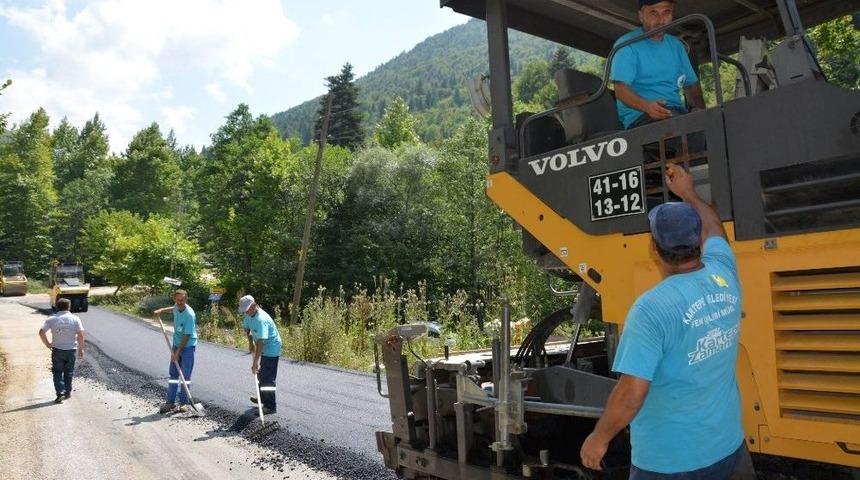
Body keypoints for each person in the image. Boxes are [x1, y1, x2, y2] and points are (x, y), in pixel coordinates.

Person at [580, 164, 754, 479]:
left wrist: (600, 436)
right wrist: (689, 193)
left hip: (671, 463)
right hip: (729, 449)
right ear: (696, 242)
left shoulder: (652, 309)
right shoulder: (724, 273)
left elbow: (632, 392)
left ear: (654, 248)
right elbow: (715, 228)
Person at [610, 0, 705, 129]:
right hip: (641, 117)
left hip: (676, 114)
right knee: (687, 132)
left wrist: (699, 109)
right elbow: (621, 90)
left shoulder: (677, 46)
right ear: (641, 15)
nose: (661, 20)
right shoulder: (626, 45)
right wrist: (647, 106)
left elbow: (691, 85)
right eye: (654, 13)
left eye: (667, 12)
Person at [154, 289, 197, 414]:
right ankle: (170, 402)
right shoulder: (176, 307)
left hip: (187, 346)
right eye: (178, 301)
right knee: (173, 374)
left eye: (182, 301)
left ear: (186, 299)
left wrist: (177, 353)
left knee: (185, 376)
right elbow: (172, 308)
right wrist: (161, 311)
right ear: (175, 300)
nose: (180, 303)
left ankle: (184, 403)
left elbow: (187, 336)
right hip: (176, 345)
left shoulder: (190, 314)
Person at [239, 295, 282, 415]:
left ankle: (270, 406)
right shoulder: (248, 315)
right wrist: (250, 343)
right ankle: (262, 397)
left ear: (254, 304)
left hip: (271, 347)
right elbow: (247, 330)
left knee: (267, 378)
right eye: (245, 310)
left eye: (248, 308)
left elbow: (261, 342)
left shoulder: (261, 319)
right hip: (261, 344)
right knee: (260, 375)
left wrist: (255, 362)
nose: (246, 311)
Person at [39, 297, 85, 404]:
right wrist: (81, 349)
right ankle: (67, 392)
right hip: (71, 350)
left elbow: (41, 332)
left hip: (57, 350)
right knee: (69, 372)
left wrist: (47, 344)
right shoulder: (75, 319)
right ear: (69, 307)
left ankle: (60, 392)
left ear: (57, 306)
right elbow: (81, 335)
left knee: (57, 372)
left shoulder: (51, 319)